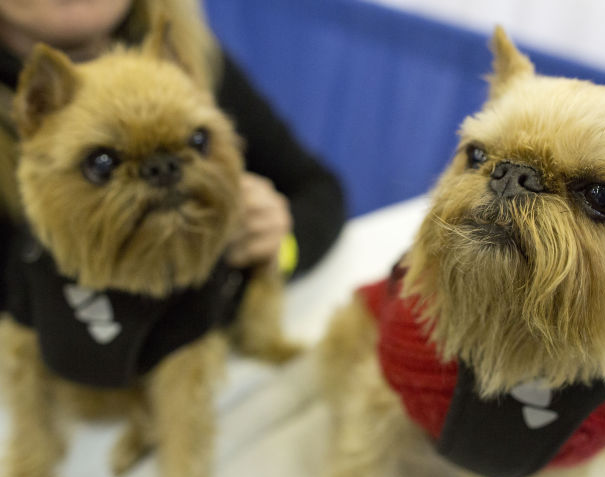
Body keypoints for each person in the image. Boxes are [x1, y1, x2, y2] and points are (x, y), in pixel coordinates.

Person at [0, 0, 346, 311]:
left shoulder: (193, 57)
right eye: (102, 165)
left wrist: (277, 248)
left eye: (197, 143)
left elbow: (317, 189)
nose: (163, 173)